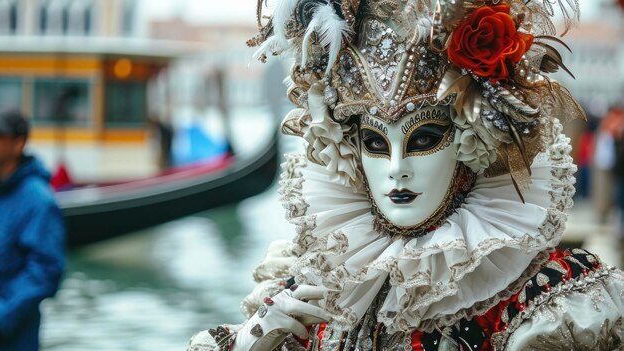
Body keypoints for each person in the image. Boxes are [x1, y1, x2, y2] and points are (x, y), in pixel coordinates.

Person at [189, 0, 624, 350]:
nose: (396, 169)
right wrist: (253, 340)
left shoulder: (543, 298)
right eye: (375, 144)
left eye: (424, 139)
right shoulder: (309, 281)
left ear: (469, 141)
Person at [0, 109, 65, 351]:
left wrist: (1, 315)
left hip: (11, 338)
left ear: (18, 144)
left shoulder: (38, 200)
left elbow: (46, 271)